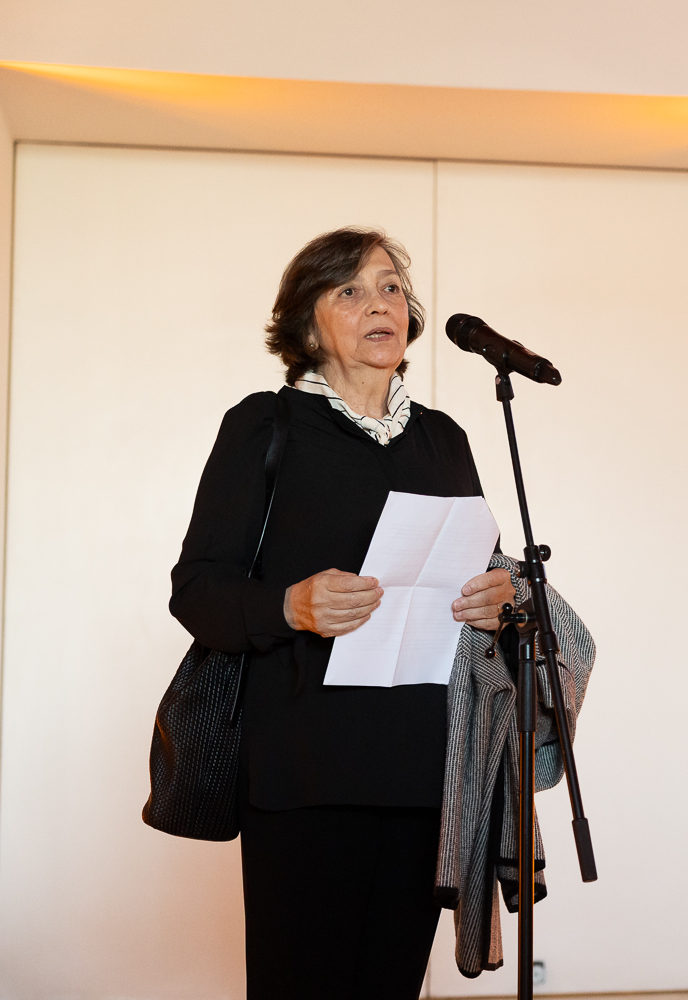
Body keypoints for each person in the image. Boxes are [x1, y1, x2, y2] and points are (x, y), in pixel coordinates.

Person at [170, 227, 518, 999]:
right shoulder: (265, 427)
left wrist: (500, 596)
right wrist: (289, 604)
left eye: (391, 287)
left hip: (424, 769)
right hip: (304, 771)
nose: (379, 304)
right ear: (306, 324)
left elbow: (481, 567)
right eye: (350, 290)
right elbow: (197, 589)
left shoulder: (444, 438)